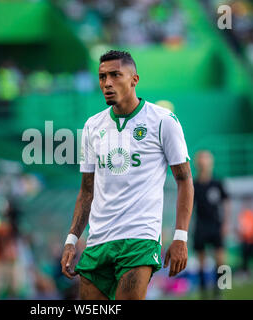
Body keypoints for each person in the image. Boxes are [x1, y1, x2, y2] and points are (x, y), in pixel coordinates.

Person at [61, 50, 194, 300]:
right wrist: (72, 239)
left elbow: (185, 181)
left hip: (139, 239)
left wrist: (180, 237)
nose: (107, 83)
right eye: (102, 77)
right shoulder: (92, 126)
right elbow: (86, 190)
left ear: (134, 79)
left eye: (115, 75)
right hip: (98, 241)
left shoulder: (163, 121)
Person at [193, 150, 231, 299]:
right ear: (197, 163)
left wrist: (226, 223)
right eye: (201, 159)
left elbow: (226, 202)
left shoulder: (218, 182)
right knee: (201, 262)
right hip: (201, 226)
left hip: (216, 225)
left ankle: (220, 292)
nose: (204, 162)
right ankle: (203, 293)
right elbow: (188, 207)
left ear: (211, 162)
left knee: (221, 260)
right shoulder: (194, 184)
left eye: (206, 159)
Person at [237, 196, 253, 276]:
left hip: (252, 239)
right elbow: (241, 227)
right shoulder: (242, 214)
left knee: (251, 257)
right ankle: (245, 271)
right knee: (245, 257)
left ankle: (250, 271)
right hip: (245, 239)